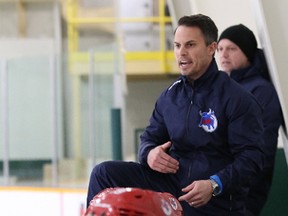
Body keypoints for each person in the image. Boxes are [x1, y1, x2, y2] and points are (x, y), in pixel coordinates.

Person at [86, 14, 265, 216]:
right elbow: (149, 138)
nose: (181, 53)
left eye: (190, 45)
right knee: (104, 173)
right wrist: (149, 154)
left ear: (211, 48)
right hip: (170, 187)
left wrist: (214, 184)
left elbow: (252, 159)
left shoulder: (237, 98)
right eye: (177, 45)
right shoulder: (169, 97)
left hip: (212, 199)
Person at [217, 24, 283, 216]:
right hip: (218, 183)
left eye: (231, 49)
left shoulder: (260, 91)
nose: (224, 55)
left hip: (242, 188)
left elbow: (262, 144)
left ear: (246, 52)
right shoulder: (223, 87)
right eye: (220, 49)